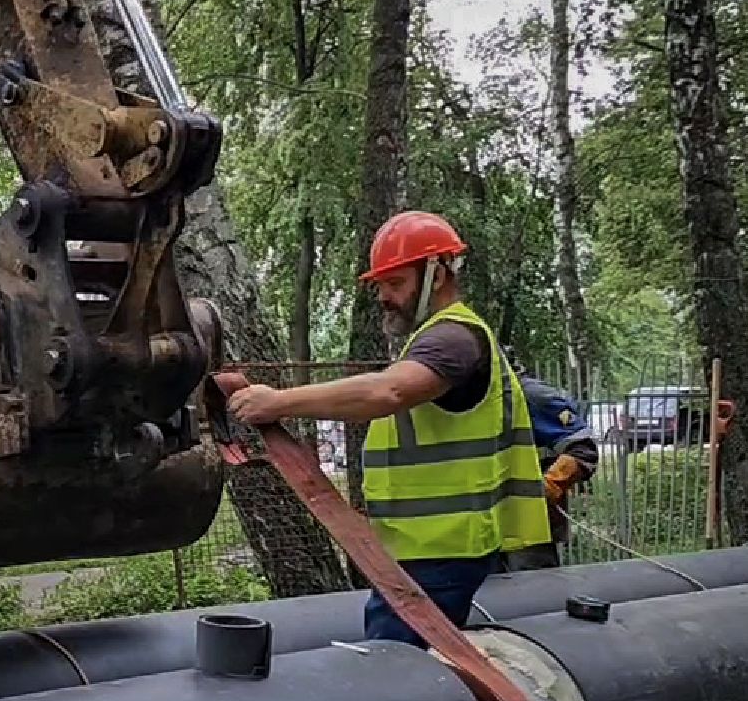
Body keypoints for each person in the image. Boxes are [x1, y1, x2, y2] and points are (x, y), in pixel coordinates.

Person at [214, 210, 550, 646]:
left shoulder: (453, 339)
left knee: (401, 676)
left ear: (440, 273)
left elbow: (387, 393)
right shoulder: (438, 338)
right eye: (380, 286)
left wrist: (277, 402)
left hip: (441, 553)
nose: (384, 297)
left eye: (396, 283)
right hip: (424, 550)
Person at [501, 369, 599, 571]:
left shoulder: (529, 396)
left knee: (533, 596)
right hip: (478, 530)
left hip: (529, 533)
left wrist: (547, 488)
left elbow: (583, 450)